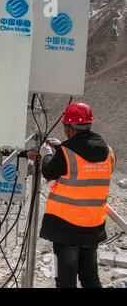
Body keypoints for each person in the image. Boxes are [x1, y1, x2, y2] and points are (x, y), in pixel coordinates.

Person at [38, 102, 117, 288]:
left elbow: (48, 172)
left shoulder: (66, 152)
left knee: (65, 281)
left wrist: (48, 153)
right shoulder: (108, 150)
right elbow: (92, 168)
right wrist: (63, 147)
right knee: (90, 280)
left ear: (68, 127)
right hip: (93, 226)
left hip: (66, 229)